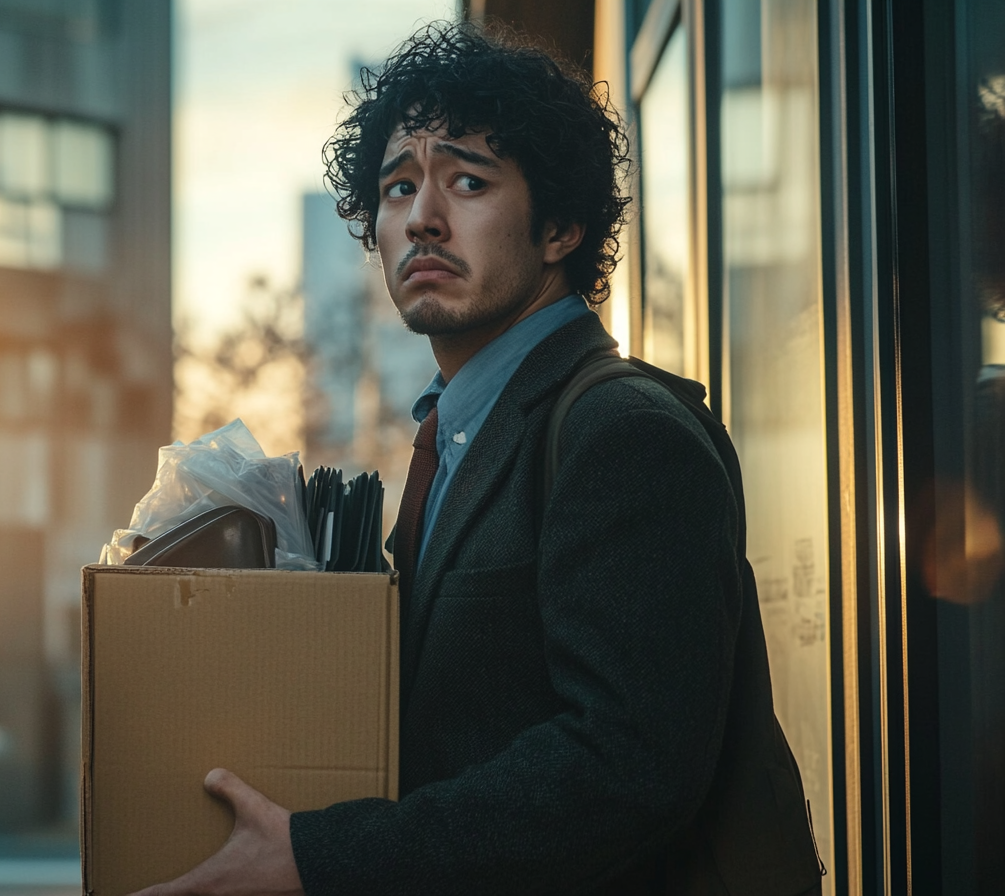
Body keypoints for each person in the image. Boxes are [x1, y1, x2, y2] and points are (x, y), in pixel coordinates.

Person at [132, 22, 823, 896]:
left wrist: (323, 856)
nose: (422, 216)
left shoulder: (623, 434)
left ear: (562, 226)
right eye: (397, 187)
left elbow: (625, 767)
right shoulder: (458, 436)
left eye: (467, 181)